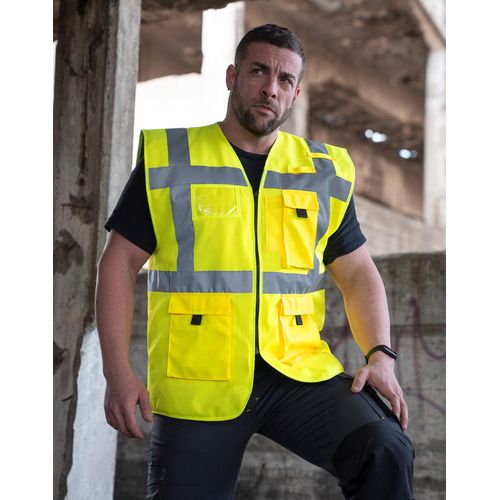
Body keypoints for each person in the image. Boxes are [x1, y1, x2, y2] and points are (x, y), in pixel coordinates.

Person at [96, 24, 415, 500]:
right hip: (200, 380)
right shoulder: (171, 160)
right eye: (259, 71)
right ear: (232, 76)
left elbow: (357, 272)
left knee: (385, 447)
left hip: (296, 372)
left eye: (285, 79)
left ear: (296, 94)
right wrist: (117, 372)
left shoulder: (321, 172)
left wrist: (380, 356)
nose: (271, 88)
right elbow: (119, 263)